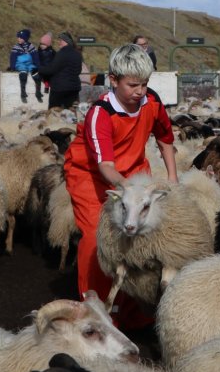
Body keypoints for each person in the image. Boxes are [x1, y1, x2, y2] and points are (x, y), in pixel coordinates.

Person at [63, 44, 178, 328]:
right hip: (91, 176)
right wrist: (129, 191)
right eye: (133, 85)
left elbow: (165, 138)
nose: (140, 91)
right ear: (113, 80)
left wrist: (173, 178)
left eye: (144, 84)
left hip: (134, 171)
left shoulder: (151, 101)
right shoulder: (100, 114)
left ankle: (132, 307)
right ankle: (96, 309)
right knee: (97, 238)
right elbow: (105, 166)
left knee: (139, 237)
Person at [38, 32, 84, 109]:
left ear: (66, 41)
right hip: (74, 88)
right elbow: (78, 70)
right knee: (70, 111)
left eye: (60, 40)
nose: (58, 42)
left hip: (59, 89)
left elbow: (51, 69)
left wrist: (38, 68)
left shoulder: (61, 53)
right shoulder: (77, 54)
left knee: (54, 111)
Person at [9, 29, 42, 103]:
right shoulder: (16, 47)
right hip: (20, 64)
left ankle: (38, 92)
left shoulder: (30, 46)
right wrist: (12, 66)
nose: (18, 39)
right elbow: (13, 57)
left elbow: (35, 56)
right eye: (18, 37)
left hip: (30, 64)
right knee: (23, 75)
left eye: (21, 38)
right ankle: (23, 93)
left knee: (36, 75)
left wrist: (38, 66)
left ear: (25, 38)